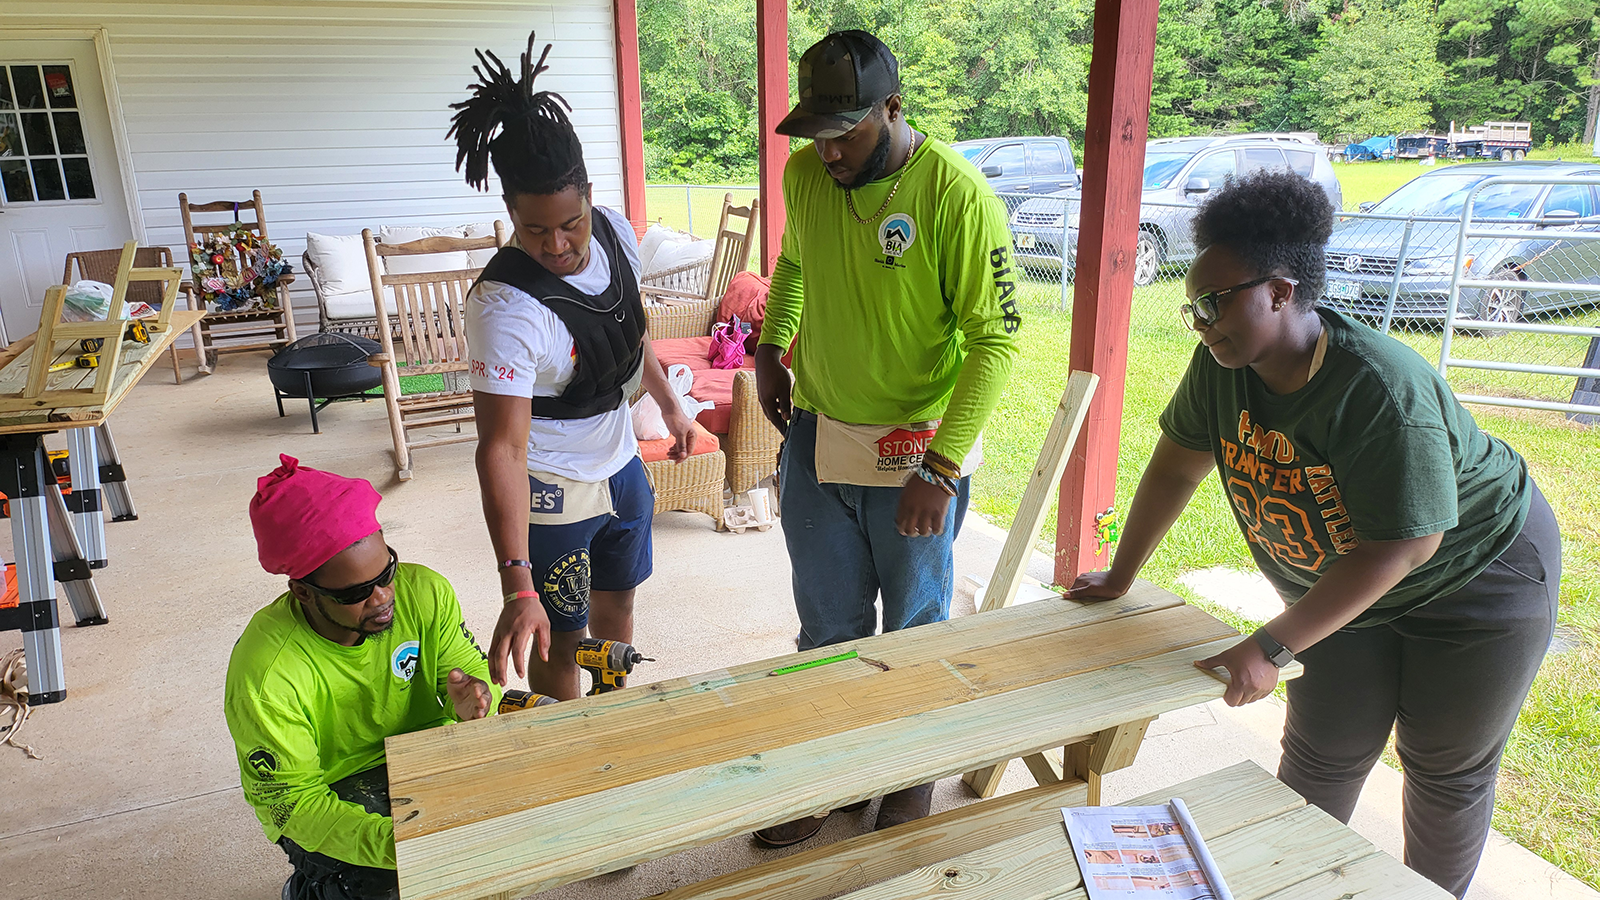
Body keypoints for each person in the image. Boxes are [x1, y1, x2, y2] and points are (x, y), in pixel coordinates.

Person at [1065, 170, 1561, 899]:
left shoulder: (1380, 390)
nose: (1201, 323)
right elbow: (1175, 470)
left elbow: (1405, 545)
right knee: (1322, 754)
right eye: (1191, 307)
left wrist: (1271, 644)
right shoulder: (1221, 367)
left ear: (1281, 289)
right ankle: (1288, 885)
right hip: (1345, 583)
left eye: (1214, 302)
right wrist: (1120, 574)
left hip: (1477, 578)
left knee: (1444, 773)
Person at [752, 30, 1021, 845]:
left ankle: (910, 777)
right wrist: (772, 344)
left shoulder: (957, 195)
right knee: (826, 625)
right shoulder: (806, 175)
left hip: (916, 450)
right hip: (820, 436)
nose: (827, 153)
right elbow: (794, 267)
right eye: (817, 134)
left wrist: (940, 468)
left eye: (847, 133)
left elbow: (999, 342)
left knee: (913, 624)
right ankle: (832, 773)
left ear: (892, 107)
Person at [449, 33, 696, 699]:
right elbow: (500, 446)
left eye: (570, 223)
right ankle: (571, 756)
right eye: (535, 231)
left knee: (618, 616)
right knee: (563, 638)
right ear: (510, 214)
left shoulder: (615, 231)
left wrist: (671, 406)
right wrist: (516, 581)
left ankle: (615, 724)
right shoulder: (504, 307)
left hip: (620, 467)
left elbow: (627, 331)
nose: (557, 245)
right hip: (554, 486)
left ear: (589, 195)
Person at [225, 455, 499, 900]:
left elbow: (473, 675)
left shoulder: (424, 591)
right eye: (356, 593)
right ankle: (313, 889)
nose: (383, 598)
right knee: (387, 882)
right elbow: (293, 803)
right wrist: (399, 844)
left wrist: (475, 701)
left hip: (422, 751)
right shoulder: (266, 671)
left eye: (387, 571)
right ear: (303, 592)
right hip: (332, 786)